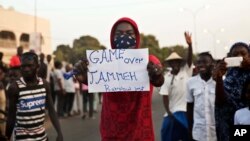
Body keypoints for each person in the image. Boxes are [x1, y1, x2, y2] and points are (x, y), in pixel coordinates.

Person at [74, 17, 164, 141]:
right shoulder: (103, 63)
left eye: (129, 33)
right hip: (111, 134)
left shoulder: (149, 61)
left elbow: (158, 81)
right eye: (118, 34)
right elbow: (92, 81)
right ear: (112, 38)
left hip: (140, 134)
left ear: (137, 36)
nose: (124, 37)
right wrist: (83, 77)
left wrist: (156, 74)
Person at [5, 52, 63, 141]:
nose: (26, 69)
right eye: (23, 66)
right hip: (22, 139)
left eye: (30, 66)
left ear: (37, 66)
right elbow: (11, 117)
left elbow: (51, 110)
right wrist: (7, 137)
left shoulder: (44, 85)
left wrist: (59, 133)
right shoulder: (15, 88)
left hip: (42, 137)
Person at [159, 32, 193, 141]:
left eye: (176, 62)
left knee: (188, 134)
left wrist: (190, 45)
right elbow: (164, 97)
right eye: (172, 62)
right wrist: (169, 113)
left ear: (180, 63)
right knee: (165, 132)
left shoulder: (186, 72)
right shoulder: (166, 77)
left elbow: (189, 59)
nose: (175, 64)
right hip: (172, 112)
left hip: (185, 111)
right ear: (169, 64)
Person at [213, 42, 250, 141]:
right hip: (229, 123)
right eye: (235, 55)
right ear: (229, 57)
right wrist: (219, 79)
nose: (239, 57)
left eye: (243, 54)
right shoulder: (228, 75)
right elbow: (220, 102)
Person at [186, 52, 216, 141]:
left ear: (212, 64)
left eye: (205, 62)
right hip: (199, 133)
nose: (201, 65)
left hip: (216, 132)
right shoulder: (190, 82)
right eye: (199, 62)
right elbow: (189, 107)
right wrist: (190, 129)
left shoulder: (218, 82)